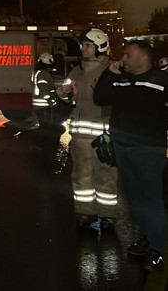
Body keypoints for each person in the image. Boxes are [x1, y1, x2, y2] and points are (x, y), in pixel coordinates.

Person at [95, 40, 168, 271]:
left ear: (143, 58)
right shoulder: (122, 80)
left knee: (152, 199)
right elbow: (100, 97)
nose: (123, 59)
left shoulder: (162, 81)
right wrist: (110, 72)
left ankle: (156, 250)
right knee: (135, 199)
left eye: (128, 55)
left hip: (148, 149)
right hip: (122, 147)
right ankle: (147, 239)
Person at [62, 28, 117, 229]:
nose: (83, 49)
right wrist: (63, 91)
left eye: (87, 46)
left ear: (100, 47)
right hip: (80, 136)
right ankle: (85, 213)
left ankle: (108, 215)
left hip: (104, 136)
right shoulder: (77, 70)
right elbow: (64, 92)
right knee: (81, 175)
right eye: (83, 45)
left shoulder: (110, 70)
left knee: (107, 175)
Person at [32, 52, 59, 127]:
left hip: (39, 105)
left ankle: (43, 137)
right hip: (44, 105)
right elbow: (44, 89)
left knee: (43, 126)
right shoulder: (43, 74)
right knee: (47, 126)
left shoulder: (37, 73)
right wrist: (50, 101)